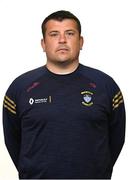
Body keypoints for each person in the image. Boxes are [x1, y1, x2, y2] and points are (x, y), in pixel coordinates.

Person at [3, 10, 125, 179]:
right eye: (54, 34)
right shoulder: (20, 88)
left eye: (70, 33)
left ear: (81, 41)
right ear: (43, 44)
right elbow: (13, 140)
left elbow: (117, 139)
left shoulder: (106, 86)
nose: (62, 40)